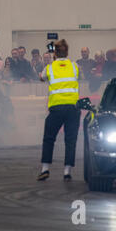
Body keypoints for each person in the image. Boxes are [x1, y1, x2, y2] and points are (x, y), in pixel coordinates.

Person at [37, 39, 80, 182]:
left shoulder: (49, 67)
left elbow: (41, 78)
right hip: (72, 108)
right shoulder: (74, 66)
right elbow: (77, 76)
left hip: (56, 108)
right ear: (67, 52)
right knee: (70, 140)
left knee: (49, 138)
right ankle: (67, 172)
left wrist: (52, 62)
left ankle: (45, 169)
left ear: (55, 52)